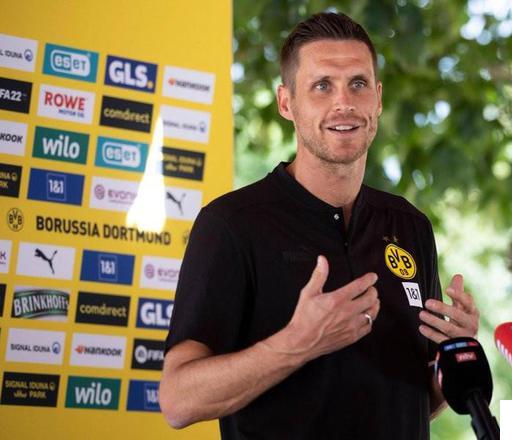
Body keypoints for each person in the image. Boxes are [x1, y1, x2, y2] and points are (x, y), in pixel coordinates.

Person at [160, 12, 480, 440]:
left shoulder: (410, 225)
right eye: (322, 86)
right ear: (286, 103)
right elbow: (178, 400)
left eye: (358, 84)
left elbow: (414, 403)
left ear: (378, 99)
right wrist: (297, 343)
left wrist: (455, 356)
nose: (343, 103)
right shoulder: (232, 223)